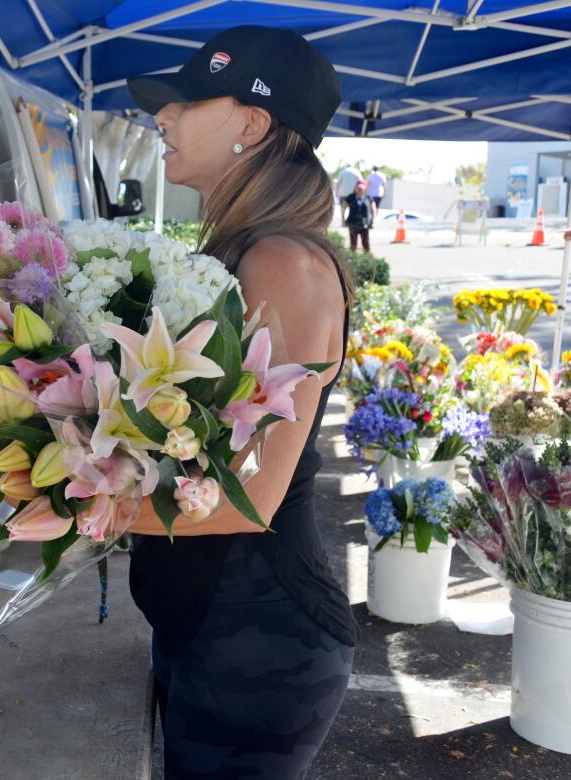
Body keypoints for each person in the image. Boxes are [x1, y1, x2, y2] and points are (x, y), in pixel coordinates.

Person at [127, 25, 358, 778]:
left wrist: (72, 509)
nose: (162, 118)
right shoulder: (241, 250)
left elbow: (250, 494)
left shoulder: (282, 262)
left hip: (262, 643)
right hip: (210, 628)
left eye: (186, 102)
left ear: (252, 126)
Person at [345, 178, 376, 253]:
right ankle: (352, 259)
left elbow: (373, 209)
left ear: (365, 188)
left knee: (365, 243)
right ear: (356, 187)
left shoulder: (368, 197)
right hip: (353, 223)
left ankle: (367, 259)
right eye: (358, 188)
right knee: (353, 244)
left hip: (365, 223)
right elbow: (344, 207)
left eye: (361, 188)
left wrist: (373, 220)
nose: (360, 190)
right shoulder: (351, 197)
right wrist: (343, 218)